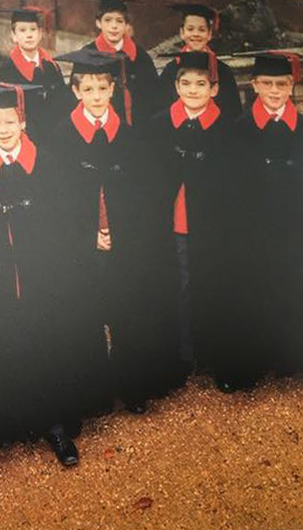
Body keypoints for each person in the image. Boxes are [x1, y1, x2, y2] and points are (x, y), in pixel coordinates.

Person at [0, 83, 86, 466]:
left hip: (40, 270)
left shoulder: (46, 161)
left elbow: (64, 218)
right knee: (1, 343)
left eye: (10, 120)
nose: (3, 128)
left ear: (23, 120)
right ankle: (7, 422)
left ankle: (53, 425)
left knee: (45, 344)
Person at [55, 48, 176, 415]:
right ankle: (95, 394)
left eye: (102, 89)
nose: (95, 96)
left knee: (128, 313)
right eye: (87, 89)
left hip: (124, 241)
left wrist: (121, 232)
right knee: (88, 315)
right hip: (82, 242)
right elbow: (57, 198)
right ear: (76, 91)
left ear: (112, 91)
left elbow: (144, 195)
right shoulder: (60, 137)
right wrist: (87, 233)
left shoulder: (130, 135)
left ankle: (132, 385)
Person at [149, 51, 240, 390]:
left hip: (212, 223)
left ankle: (213, 355)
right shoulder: (160, 124)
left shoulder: (227, 127)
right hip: (173, 221)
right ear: (175, 86)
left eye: (201, 84)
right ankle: (181, 356)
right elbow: (153, 178)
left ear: (214, 89)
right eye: (185, 83)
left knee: (212, 285)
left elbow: (233, 183)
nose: (192, 90)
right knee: (179, 287)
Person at [230, 51, 303, 388]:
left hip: (291, 226)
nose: (275, 91)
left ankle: (289, 358)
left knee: (290, 288)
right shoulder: (239, 130)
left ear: (293, 85)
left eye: (283, 84)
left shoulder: (300, 128)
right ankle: (250, 362)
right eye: (268, 83)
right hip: (252, 228)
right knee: (252, 291)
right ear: (255, 85)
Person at [0, 8, 73, 146]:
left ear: (40, 34)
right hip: (23, 142)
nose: (29, 35)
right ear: (14, 36)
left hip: (55, 139)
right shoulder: (5, 73)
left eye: (33, 30)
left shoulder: (51, 67)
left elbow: (63, 103)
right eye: (22, 30)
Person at [82, 0, 159, 126]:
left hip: (138, 128)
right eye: (107, 20)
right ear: (98, 23)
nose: (114, 26)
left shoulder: (140, 56)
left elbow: (153, 96)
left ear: (127, 25)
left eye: (119, 21)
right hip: (103, 129)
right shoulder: (87, 55)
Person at [158, 4, 242, 121]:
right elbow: (161, 110)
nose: (196, 34)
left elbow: (233, 113)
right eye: (190, 29)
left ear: (209, 34)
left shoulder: (222, 71)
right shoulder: (171, 70)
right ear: (182, 33)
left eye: (201, 29)